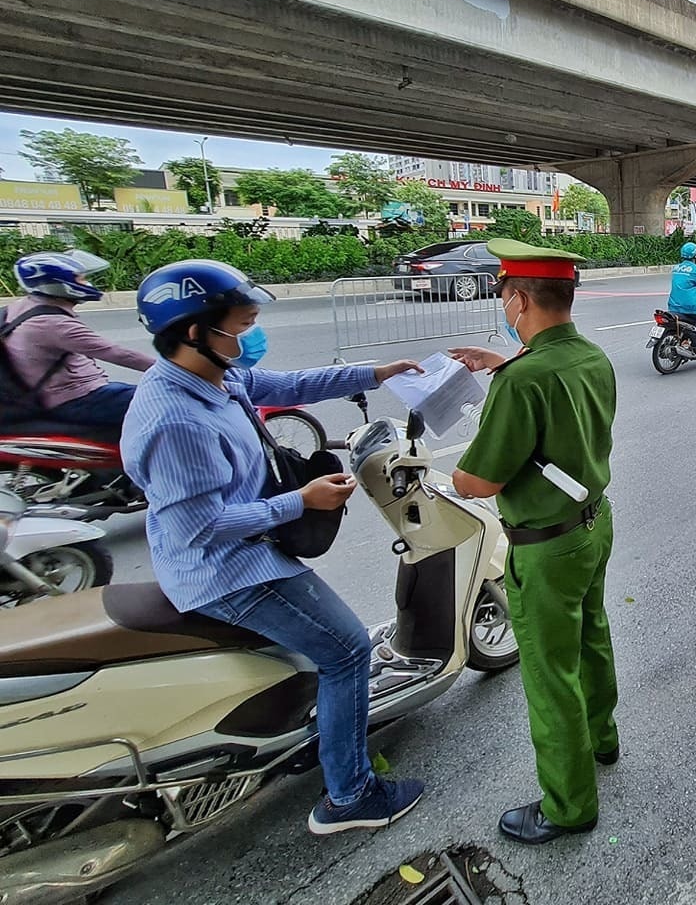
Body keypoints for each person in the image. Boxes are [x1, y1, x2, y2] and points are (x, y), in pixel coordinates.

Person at [120, 259, 425, 835]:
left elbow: (283, 385)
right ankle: (349, 797)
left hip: (248, 546)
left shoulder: (214, 377)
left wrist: (377, 372)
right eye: (242, 323)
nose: (250, 333)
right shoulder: (176, 420)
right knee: (348, 650)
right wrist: (301, 502)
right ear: (194, 332)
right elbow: (199, 528)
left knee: (329, 649)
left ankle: (323, 732)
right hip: (228, 570)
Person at [447, 239, 618, 846]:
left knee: (549, 675)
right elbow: (557, 396)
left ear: (518, 300)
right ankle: (603, 740)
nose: (503, 304)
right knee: (592, 635)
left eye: (503, 295)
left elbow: (479, 480)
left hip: (545, 547)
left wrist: (445, 476)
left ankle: (569, 807)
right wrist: (503, 364)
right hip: (594, 525)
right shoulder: (591, 357)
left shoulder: (522, 381)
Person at [3, 250, 154, 434]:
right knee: (167, 403)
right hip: (78, 399)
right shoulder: (54, 324)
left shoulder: (21, 307)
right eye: (80, 279)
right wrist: (182, 371)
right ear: (58, 285)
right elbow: (119, 354)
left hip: (58, 394)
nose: (87, 283)